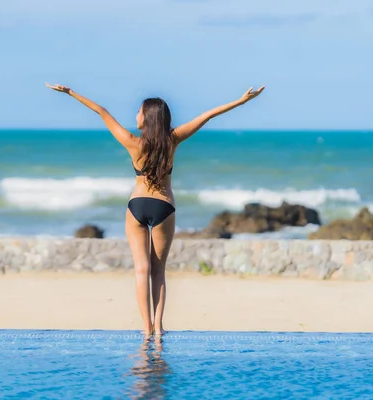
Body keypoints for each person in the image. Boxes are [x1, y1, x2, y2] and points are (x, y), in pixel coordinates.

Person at [46, 82, 265, 336]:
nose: (136, 116)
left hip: (137, 205)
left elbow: (102, 112)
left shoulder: (131, 142)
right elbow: (208, 115)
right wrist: (241, 101)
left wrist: (71, 93)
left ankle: (145, 328)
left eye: (139, 112)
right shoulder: (173, 140)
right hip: (164, 207)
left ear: (147, 118)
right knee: (158, 271)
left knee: (142, 269)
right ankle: (159, 327)